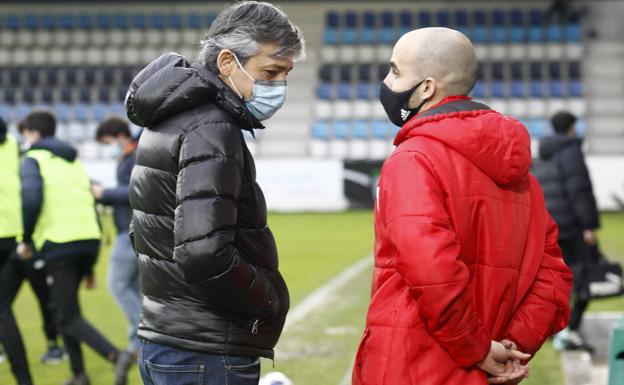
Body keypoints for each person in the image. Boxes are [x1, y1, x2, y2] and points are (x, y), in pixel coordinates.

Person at [353, 28, 573, 385]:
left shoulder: (412, 159)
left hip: (415, 366)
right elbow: (553, 275)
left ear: (426, 88)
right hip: (487, 369)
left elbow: (431, 271)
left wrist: (478, 349)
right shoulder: (523, 176)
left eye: (394, 71)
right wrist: (512, 345)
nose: (386, 81)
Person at [125, 2, 304, 384]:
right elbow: (203, 252)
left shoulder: (169, 118)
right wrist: (266, 301)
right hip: (204, 351)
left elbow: (144, 230)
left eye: (285, 75)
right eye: (270, 72)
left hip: (165, 340)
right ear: (227, 62)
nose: (278, 87)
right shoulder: (212, 128)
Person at [16, 111, 133, 385]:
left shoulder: (33, 159)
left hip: (59, 244)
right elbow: (90, 205)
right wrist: (90, 264)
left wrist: (26, 238)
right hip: (87, 242)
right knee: (64, 309)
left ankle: (115, 355)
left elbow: (31, 199)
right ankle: (79, 374)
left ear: (32, 133)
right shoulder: (73, 162)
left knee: (65, 314)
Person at [533, 111, 599, 351]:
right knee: (585, 278)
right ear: (571, 127)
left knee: (556, 280)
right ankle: (570, 331)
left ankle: (554, 330)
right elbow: (579, 190)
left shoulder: (543, 155)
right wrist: (589, 225)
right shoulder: (570, 152)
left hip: (550, 228)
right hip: (572, 227)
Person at [92, 117, 141, 357]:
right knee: (136, 287)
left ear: (120, 137)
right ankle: (142, 341)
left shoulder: (136, 155)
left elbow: (137, 190)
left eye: (109, 142)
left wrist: (104, 193)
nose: (109, 147)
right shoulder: (130, 156)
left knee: (118, 285)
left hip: (131, 231)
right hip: (136, 230)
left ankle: (142, 336)